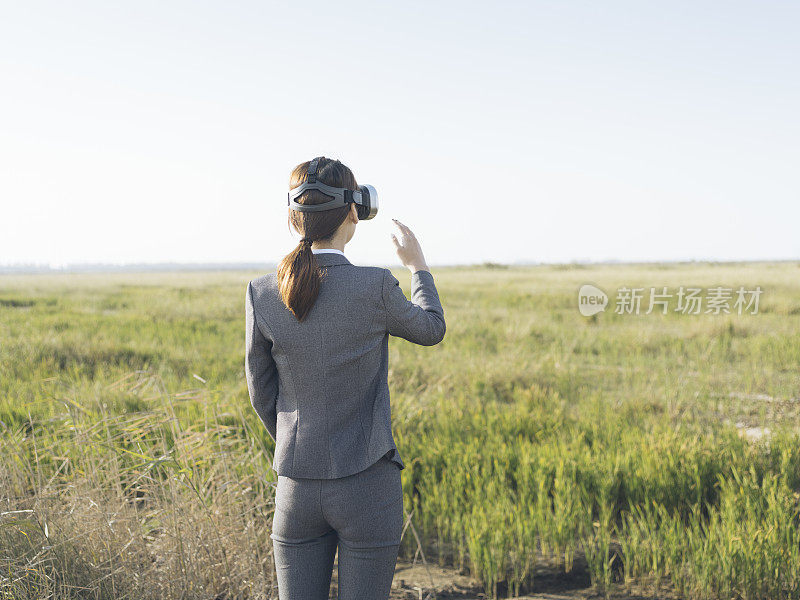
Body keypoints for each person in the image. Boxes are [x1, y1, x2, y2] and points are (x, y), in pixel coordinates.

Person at [244, 156, 446, 600]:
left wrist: (292, 445)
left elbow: (261, 392)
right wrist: (419, 268)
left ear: (295, 217)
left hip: (296, 487)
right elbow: (432, 329)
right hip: (367, 485)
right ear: (355, 211)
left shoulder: (261, 291)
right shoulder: (374, 284)